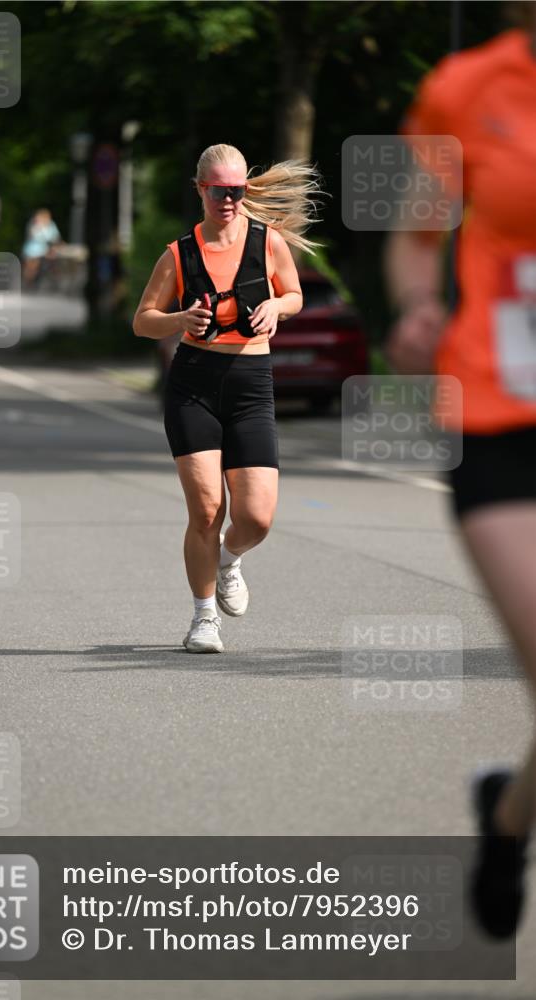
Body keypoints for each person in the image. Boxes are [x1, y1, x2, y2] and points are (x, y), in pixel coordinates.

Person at [385, 5, 536, 938]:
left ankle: (507, 818)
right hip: (497, 414)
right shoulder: (465, 90)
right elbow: (414, 235)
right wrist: (415, 307)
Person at [133, 144, 321, 653]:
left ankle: (230, 559)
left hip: (251, 384)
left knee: (257, 517)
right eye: (220, 191)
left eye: (238, 191)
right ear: (201, 190)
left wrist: (277, 308)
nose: (231, 200)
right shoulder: (179, 253)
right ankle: (203, 619)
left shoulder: (268, 243)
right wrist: (177, 320)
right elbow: (142, 319)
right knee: (207, 509)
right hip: (195, 384)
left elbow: (295, 294)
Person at [21, 208, 64, 289]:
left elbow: (56, 237)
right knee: (31, 266)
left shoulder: (51, 225)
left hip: (46, 251)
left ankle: (54, 282)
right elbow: (34, 236)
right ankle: (28, 283)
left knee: (54, 262)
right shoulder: (33, 225)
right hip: (32, 251)